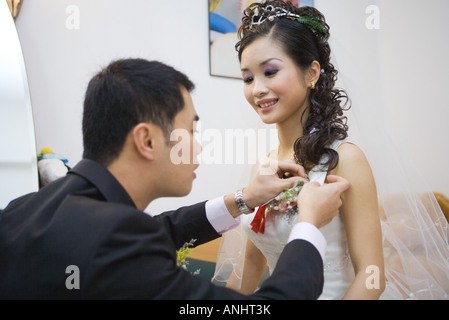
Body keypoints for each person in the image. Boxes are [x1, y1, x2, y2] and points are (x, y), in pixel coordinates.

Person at [0, 58, 349, 299]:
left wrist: (244, 199)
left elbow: (160, 230)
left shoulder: (25, 209)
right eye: (191, 131)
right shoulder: (116, 240)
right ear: (147, 140)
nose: (198, 147)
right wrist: (308, 223)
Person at [213, 0, 449, 300]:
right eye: (248, 78)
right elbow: (252, 261)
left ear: (312, 73)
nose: (257, 88)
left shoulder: (346, 159)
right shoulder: (264, 166)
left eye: (270, 72)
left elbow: (372, 275)